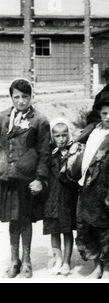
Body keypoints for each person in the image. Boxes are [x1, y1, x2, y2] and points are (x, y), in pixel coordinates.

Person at [75, 91, 109, 279]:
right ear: (99, 112)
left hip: (105, 192)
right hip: (87, 188)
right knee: (88, 227)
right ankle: (96, 266)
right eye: (105, 113)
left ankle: (107, 269)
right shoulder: (93, 130)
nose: (108, 117)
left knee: (106, 230)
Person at [0, 79, 50, 278]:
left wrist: (40, 178)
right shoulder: (3, 118)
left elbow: (44, 153)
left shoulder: (39, 120)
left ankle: (27, 260)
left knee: (25, 219)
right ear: (11, 97)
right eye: (17, 97)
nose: (21, 101)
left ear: (31, 97)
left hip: (27, 179)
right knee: (13, 220)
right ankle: (14, 260)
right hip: (7, 177)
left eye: (25, 97)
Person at [43, 118, 79, 276]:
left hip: (66, 198)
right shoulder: (49, 153)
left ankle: (66, 261)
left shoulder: (73, 153)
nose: (61, 139)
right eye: (57, 136)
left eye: (64, 135)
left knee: (67, 230)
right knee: (54, 231)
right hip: (51, 198)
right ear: (52, 137)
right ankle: (57, 259)